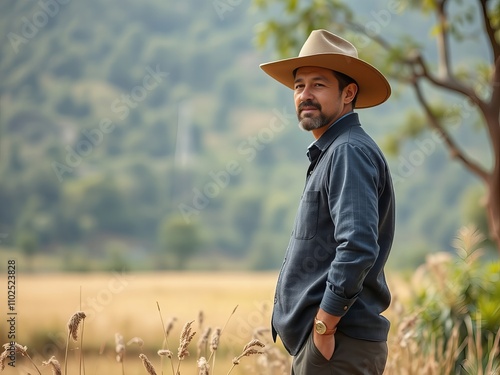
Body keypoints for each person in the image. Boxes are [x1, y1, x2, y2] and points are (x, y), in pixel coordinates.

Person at [260, 29, 396, 374]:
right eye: (298, 85)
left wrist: (324, 326)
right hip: (327, 346)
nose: (305, 95)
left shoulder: (348, 151)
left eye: (318, 85)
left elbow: (358, 245)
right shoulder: (334, 152)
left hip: (337, 345)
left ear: (348, 92)